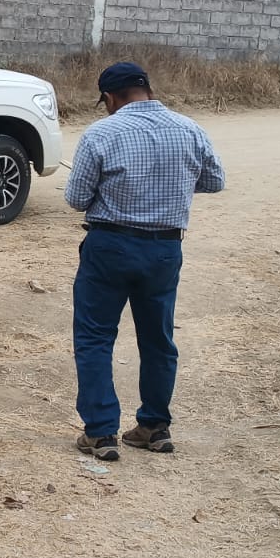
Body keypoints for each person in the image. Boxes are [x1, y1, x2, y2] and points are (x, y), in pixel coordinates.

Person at [64, 61, 225, 461]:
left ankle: (101, 432)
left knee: (95, 337)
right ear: (148, 90)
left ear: (110, 97)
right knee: (158, 338)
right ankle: (154, 426)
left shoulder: (101, 133)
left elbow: (76, 198)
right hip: (164, 249)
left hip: (110, 245)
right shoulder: (189, 129)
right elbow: (215, 180)